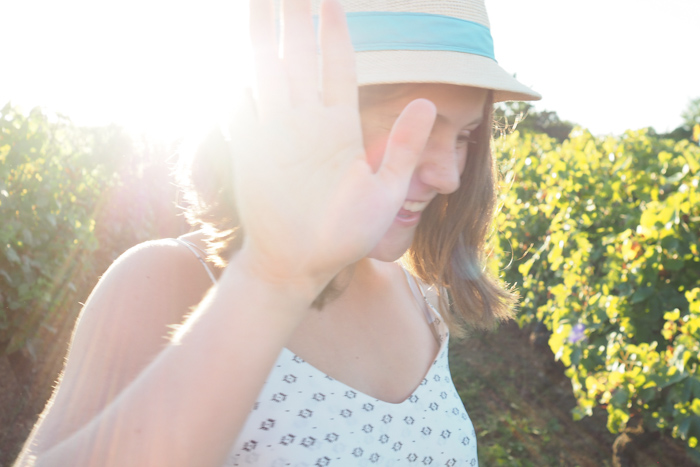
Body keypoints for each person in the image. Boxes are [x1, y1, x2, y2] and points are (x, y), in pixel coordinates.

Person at [15, 0, 540, 465]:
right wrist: (272, 280)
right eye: (412, 127)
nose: (449, 176)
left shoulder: (418, 297)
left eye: (467, 135)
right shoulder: (168, 282)